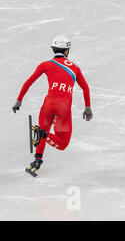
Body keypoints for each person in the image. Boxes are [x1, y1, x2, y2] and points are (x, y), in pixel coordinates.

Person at [12, 36, 93, 176]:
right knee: (62, 144)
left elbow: (28, 82)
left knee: (43, 128)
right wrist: (87, 108)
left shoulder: (45, 64)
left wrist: (19, 100)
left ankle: (37, 160)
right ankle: (42, 133)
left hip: (48, 105)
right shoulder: (75, 68)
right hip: (63, 109)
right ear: (67, 51)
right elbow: (85, 88)